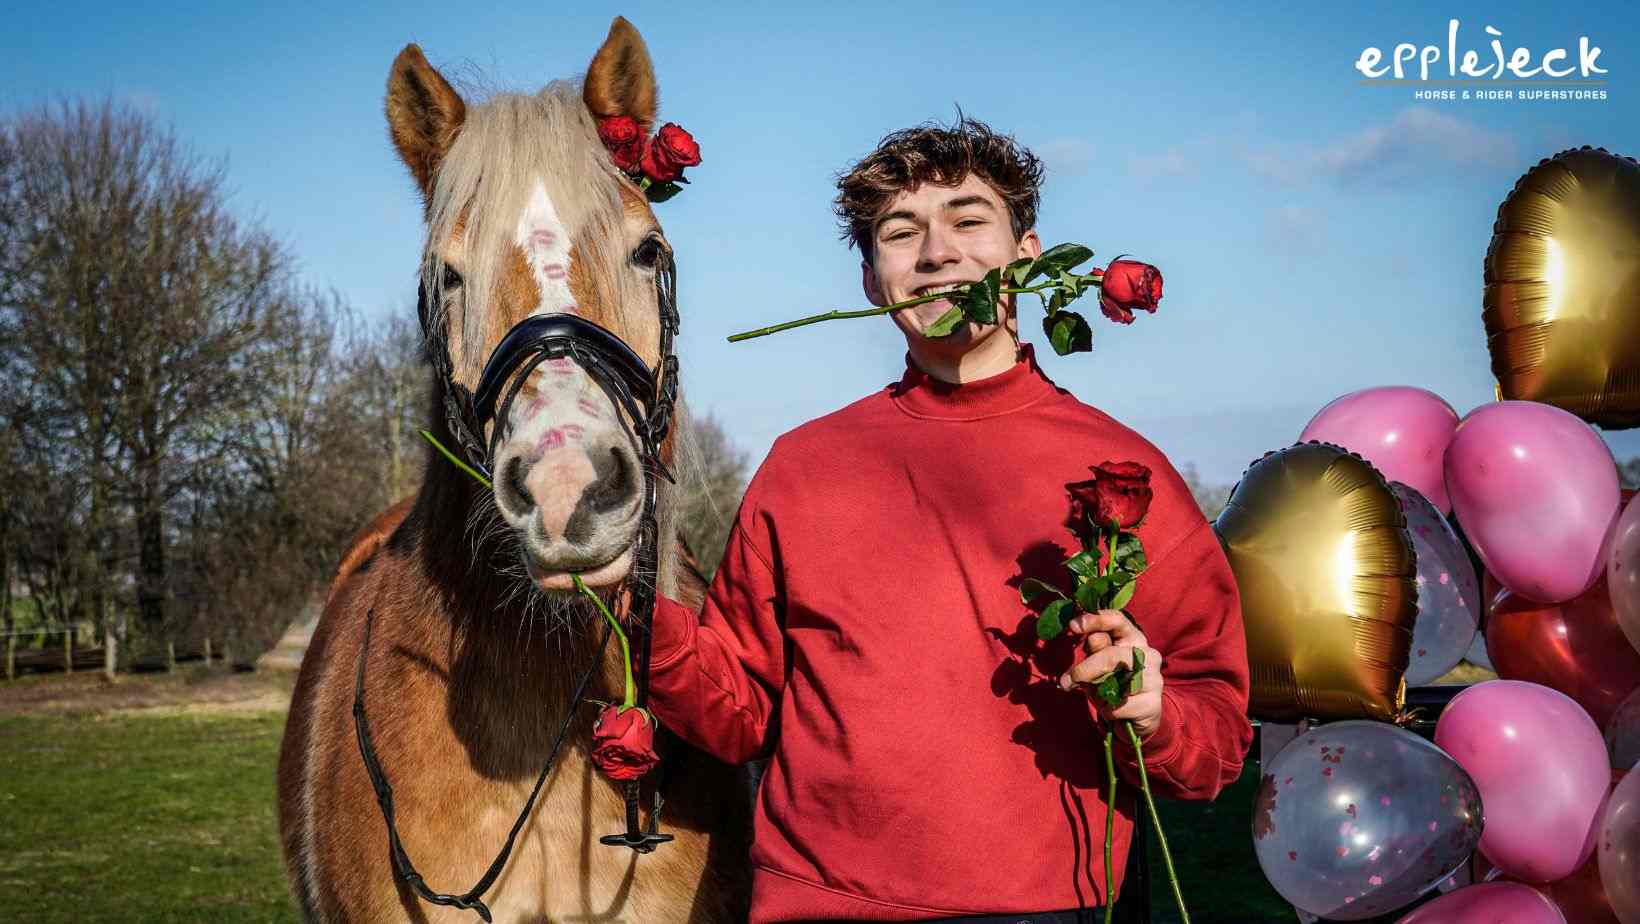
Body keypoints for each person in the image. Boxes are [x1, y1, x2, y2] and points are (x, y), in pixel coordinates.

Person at [646, 117, 1252, 924]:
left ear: (1028, 255)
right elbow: (740, 711)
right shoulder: (804, 467)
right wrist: (624, 602)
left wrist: (1157, 715)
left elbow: (1215, 740)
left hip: (1049, 908)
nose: (938, 253)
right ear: (871, 281)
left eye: (968, 220)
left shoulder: (1127, 477)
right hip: (819, 905)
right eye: (902, 232)